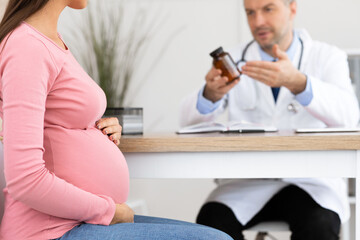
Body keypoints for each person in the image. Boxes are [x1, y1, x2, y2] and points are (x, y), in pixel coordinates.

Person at [0, 1, 234, 240]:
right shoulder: (27, 47)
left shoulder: (49, 41)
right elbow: (25, 180)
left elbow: (55, 120)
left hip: (78, 221)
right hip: (50, 230)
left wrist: (95, 127)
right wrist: (108, 210)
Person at [179, 0, 360, 239]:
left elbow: (349, 117)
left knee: (320, 225)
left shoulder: (326, 57)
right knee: (211, 224)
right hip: (248, 181)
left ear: (292, 8)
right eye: (250, 12)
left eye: (268, 9)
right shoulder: (233, 60)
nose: (258, 22)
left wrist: (299, 83)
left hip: (312, 182)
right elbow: (185, 122)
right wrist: (210, 95)